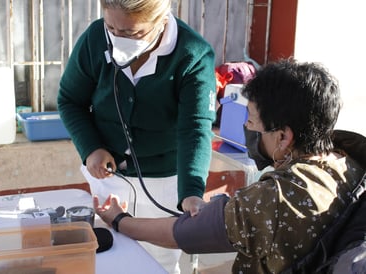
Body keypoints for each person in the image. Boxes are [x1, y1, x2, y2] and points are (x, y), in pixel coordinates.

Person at [93, 59, 366, 273]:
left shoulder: (275, 199)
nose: (246, 127)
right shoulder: (348, 161)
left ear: (283, 137)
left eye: (252, 120)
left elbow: (179, 234)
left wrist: (119, 220)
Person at [57, 0, 216, 272]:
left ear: (162, 19)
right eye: (111, 27)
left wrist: (191, 192)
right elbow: (70, 100)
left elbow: (195, 128)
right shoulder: (95, 38)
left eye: (133, 33)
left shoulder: (193, 55)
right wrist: (91, 148)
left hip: (165, 183)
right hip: (108, 177)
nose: (119, 39)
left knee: (158, 263)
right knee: (109, 257)